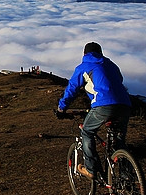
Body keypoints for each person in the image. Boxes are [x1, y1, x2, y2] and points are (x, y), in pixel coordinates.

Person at [56, 42, 131, 179]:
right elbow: (118, 80)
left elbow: (72, 89)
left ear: (84, 54)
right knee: (119, 141)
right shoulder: (111, 65)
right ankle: (127, 177)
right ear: (101, 53)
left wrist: (61, 108)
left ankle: (90, 169)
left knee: (86, 132)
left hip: (103, 106)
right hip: (125, 105)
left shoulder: (83, 67)